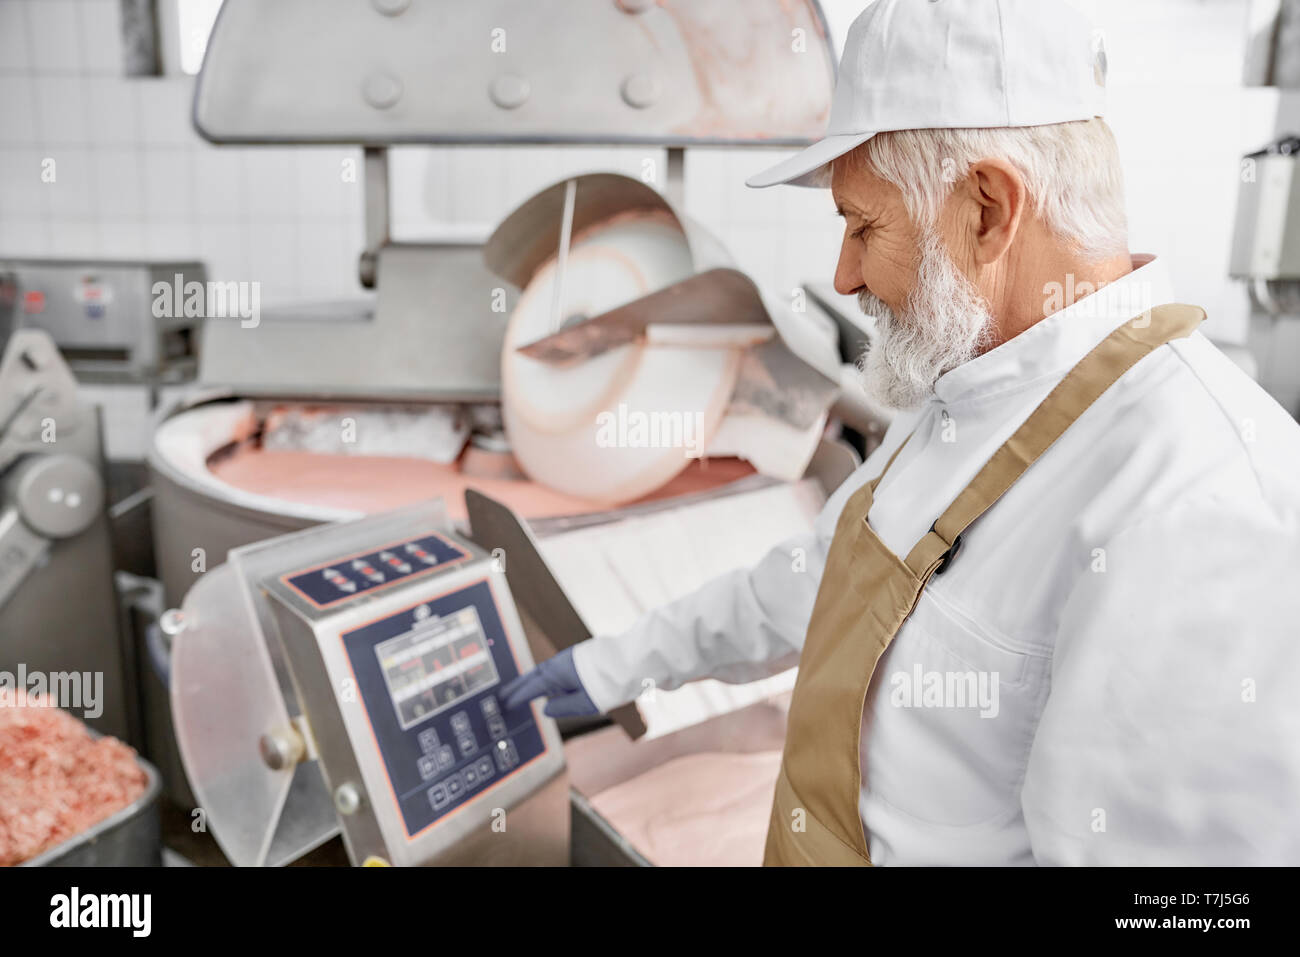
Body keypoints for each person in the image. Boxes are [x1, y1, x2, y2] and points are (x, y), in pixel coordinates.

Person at [502, 0, 1300, 865]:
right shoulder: (971, 393)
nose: (844, 275)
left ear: (989, 209)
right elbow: (809, 585)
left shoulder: (1199, 495)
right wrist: (604, 668)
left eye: (863, 224)